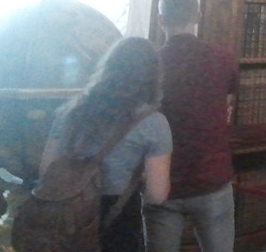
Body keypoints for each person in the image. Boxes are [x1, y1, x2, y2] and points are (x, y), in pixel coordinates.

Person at [40, 37, 172, 252]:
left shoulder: (70, 112)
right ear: (153, 76)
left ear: (107, 68)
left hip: (64, 214)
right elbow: (157, 195)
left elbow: (46, 171)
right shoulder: (152, 123)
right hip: (118, 220)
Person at [145, 0, 238, 252]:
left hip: (162, 180)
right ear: (198, 16)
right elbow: (226, 108)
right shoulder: (224, 59)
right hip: (211, 176)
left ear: (161, 20)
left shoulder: (151, 65)